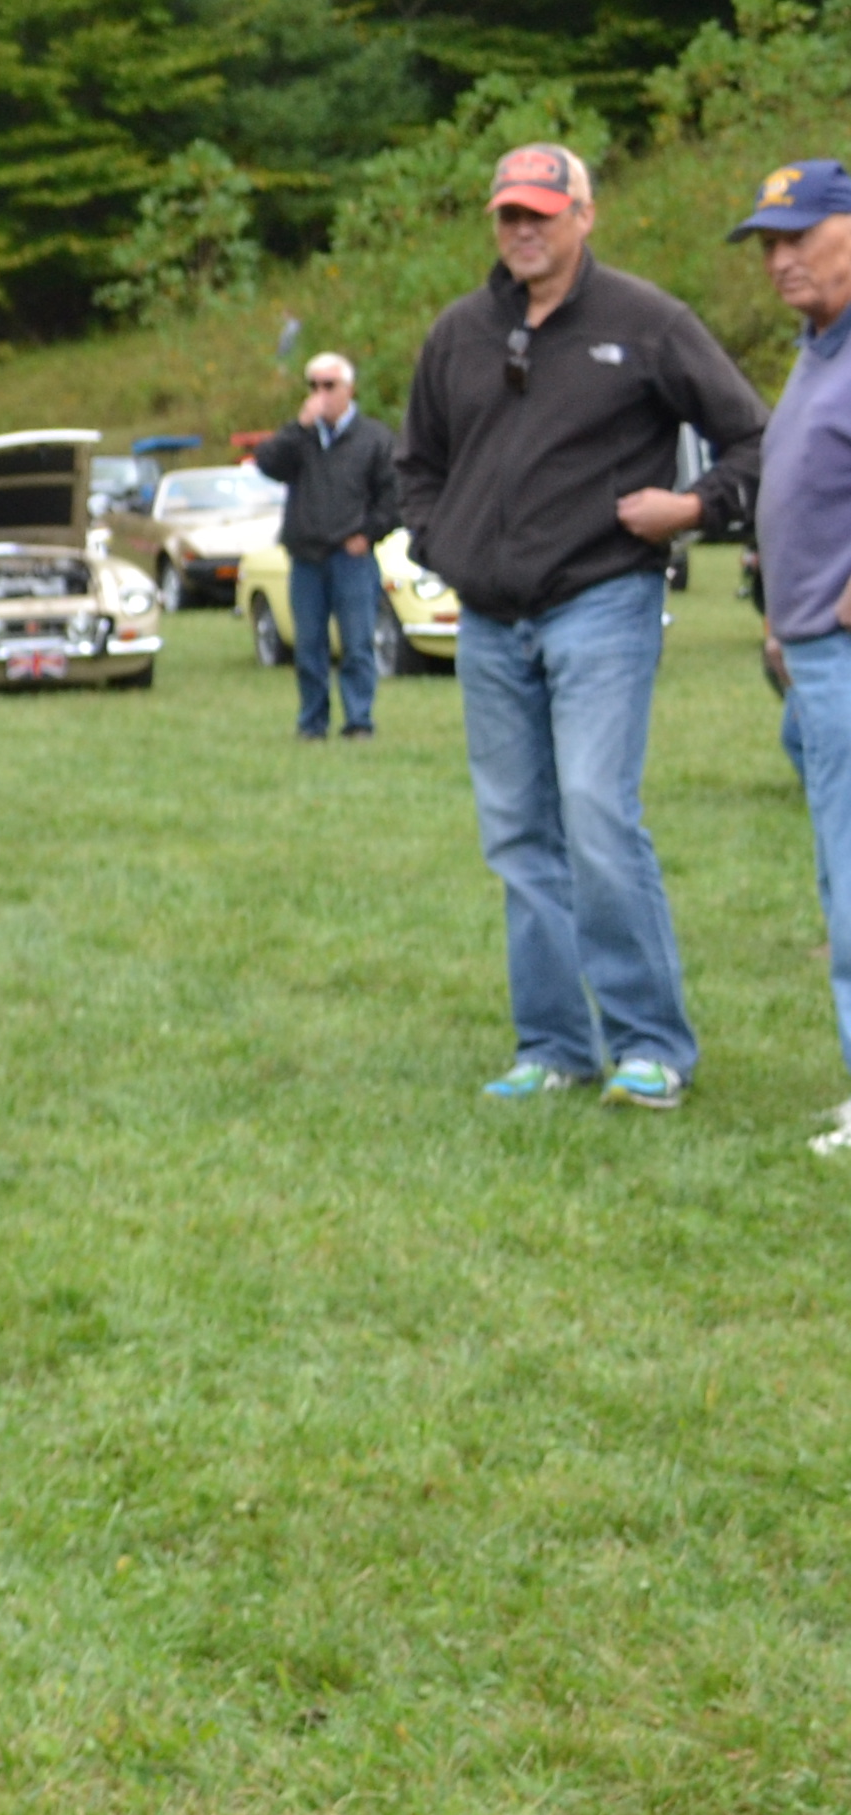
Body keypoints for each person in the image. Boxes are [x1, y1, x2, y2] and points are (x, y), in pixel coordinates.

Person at [398, 142, 768, 1108]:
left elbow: (754, 436)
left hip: (603, 601)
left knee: (598, 813)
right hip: (489, 621)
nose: (524, 229)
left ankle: (650, 1048)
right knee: (520, 834)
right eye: (509, 215)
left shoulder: (648, 322)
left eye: (541, 212)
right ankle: (555, 1049)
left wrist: (693, 508)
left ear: (585, 217)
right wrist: (442, 541)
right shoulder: (458, 333)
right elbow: (417, 463)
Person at [734, 159, 851, 1160]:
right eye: (769, 243)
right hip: (811, 652)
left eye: (800, 236)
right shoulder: (820, 347)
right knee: (835, 871)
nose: (780, 260)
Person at [253, 352, 400, 738]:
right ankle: (312, 723)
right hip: (306, 558)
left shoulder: (373, 438)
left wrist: (368, 534)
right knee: (308, 647)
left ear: (349, 389)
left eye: (329, 386)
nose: (321, 394)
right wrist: (299, 427)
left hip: (351, 559)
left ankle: (358, 722)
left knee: (357, 644)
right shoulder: (301, 439)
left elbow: (394, 496)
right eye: (314, 386)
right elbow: (266, 463)